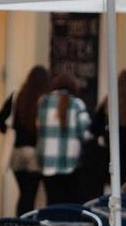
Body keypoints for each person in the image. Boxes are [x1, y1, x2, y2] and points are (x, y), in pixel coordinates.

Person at [0, 65, 50, 214]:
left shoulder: (16, 96)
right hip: (35, 153)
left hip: (17, 153)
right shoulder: (45, 100)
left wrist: (10, 132)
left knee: (24, 194)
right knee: (31, 195)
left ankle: (20, 225)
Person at [36, 73, 92, 204]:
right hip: (70, 162)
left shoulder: (43, 102)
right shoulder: (77, 104)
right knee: (68, 203)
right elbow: (85, 133)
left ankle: (51, 225)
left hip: (46, 161)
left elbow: (38, 127)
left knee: (52, 201)